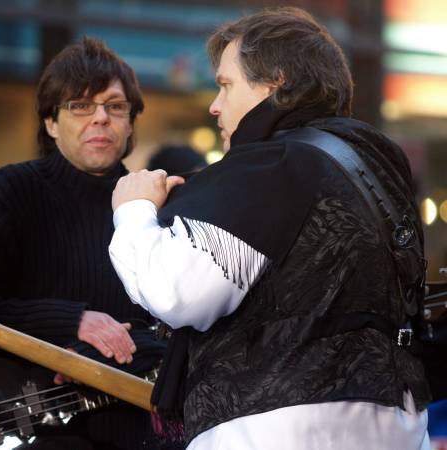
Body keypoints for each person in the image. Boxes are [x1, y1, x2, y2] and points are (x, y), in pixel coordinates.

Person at [109, 7, 431, 450]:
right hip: (394, 419)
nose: (214, 105)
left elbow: (177, 291)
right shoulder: (373, 169)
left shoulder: (275, 163)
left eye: (225, 85)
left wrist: (133, 209)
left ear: (274, 81)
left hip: (277, 425)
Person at [0, 37, 168, 450]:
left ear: (131, 121)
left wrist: (137, 347)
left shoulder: (158, 206)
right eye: (80, 105)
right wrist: (70, 323)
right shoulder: (10, 192)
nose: (101, 118)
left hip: (127, 433)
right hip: (17, 427)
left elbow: (183, 328)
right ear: (50, 122)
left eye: (115, 106)